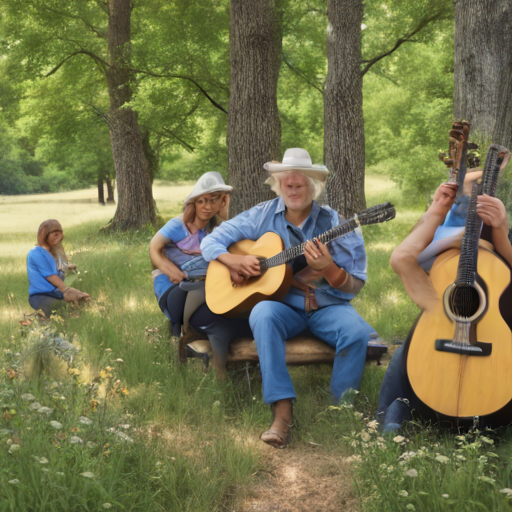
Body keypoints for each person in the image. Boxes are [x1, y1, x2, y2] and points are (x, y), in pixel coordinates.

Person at [200, 148, 375, 448]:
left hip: (327, 306)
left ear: (313, 187)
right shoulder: (262, 214)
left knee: (357, 333)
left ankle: (340, 411)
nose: (293, 190)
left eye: (300, 185)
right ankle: (282, 413)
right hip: (284, 307)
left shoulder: (336, 223)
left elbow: (355, 286)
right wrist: (233, 261)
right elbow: (211, 241)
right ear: (279, 186)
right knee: (262, 314)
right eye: (287, 185)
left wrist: (328, 268)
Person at [378, 169, 512, 432]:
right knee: (418, 340)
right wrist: (437, 213)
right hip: (442, 327)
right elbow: (401, 258)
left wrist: (501, 232)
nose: (472, 198)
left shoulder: (497, 229)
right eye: (468, 189)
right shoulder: (441, 230)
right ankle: (393, 411)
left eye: (478, 189)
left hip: (496, 331)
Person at [149, 172, 252, 377]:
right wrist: (174, 273)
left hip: (199, 286)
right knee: (207, 306)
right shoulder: (179, 225)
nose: (207, 207)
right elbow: (153, 248)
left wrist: (225, 208)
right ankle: (190, 330)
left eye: (213, 201)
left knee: (233, 308)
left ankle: (232, 356)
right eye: (202, 201)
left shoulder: (215, 229)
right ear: (193, 203)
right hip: (172, 287)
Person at [27, 219, 90, 317]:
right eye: (54, 233)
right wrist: (67, 291)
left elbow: (58, 271)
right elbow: (51, 277)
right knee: (58, 308)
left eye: (60, 232)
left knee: (82, 302)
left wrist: (67, 269)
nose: (59, 235)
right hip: (40, 296)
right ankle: (37, 319)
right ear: (44, 235)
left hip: (56, 293)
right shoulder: (36, 253)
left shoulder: (56, 253)